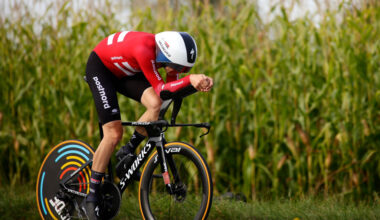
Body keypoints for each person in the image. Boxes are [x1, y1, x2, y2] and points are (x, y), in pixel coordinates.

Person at [84, 30, 213, 219]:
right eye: (178, 67)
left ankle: (127, 150)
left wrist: (195, 84)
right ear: (168, 55)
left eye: (184, 70)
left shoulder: (166, 58)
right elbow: (162, 90)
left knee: (155, 105)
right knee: (113, 133)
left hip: (124, 71)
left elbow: (169, 94)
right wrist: (191, 79)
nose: (179, 72)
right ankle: (92, 197)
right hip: (101, 68)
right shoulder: (144, 49)